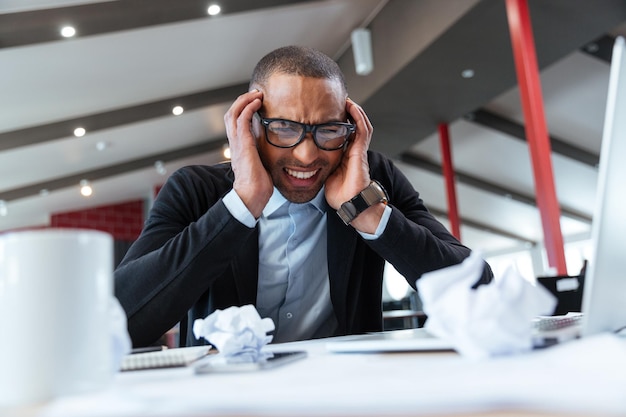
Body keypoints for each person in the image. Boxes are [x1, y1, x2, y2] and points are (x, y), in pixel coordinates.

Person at [114, 45, 492, 348]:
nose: (307, 155)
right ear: (252, 124)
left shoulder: (375, 182)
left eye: (328, 130)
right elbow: (121, 322)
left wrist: (367, 214)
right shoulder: (196, 190)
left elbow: (479, 291)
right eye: (283, 127)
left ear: (350, 128)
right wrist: (241, 206)